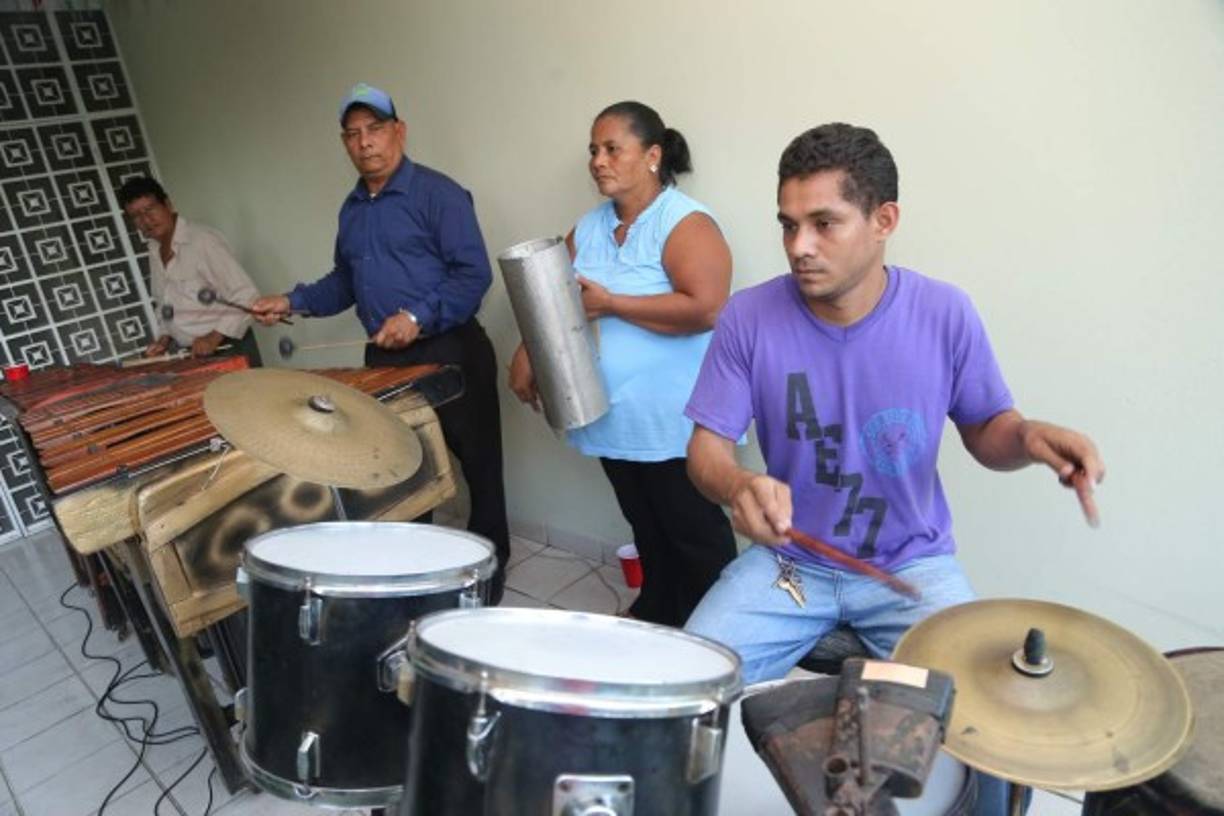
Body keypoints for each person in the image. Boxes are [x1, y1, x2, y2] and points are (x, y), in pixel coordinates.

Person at [682, 123, 1104, 815]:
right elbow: (707, 452)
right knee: (686, 688)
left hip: (912, 567)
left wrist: (1028, 437)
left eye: (824, 223)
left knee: (984, 727)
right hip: (791, 569)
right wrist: (737, 484)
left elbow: (985, 430)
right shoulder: (748, 318)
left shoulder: (945, 313)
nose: (798, 246)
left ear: (884, 221)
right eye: (788, 224)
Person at [251, 83, 510, 603]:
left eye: (375, 129)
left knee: (479, 467)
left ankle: (488, 575)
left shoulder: (438, 193)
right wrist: (292, 300)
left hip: (449, 350)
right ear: (344, 143)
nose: (365, 142)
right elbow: (344, 282)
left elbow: (472, 274)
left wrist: (416, 315)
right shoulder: (352, 210)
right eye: (353, 134)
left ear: (399, 131)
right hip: (385, 361)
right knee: (403, 472)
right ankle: (419, 579)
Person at [507, 101, 738, 626]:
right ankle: (659, 610)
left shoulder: (684, 223)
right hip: (612, 414)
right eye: (593, 149)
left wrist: (612, 303)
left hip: (675, 419)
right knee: (645, 521)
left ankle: (722, 632)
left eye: (613, 148)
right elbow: (548, 296)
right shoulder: (588, 227)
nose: (598, 160)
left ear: (652, 155)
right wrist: (525, 354)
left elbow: (707, 308)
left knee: (693, 530)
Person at [118, 176, 261, 362]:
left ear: (167, 204)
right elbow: (165, 303)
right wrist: (164, 338)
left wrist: (213, 338)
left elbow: (247, 296)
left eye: (150, 209)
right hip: (191, 354)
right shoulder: (154, 250)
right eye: (136, 216)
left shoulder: (202, 240)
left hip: (227, 348)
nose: (146, 220)